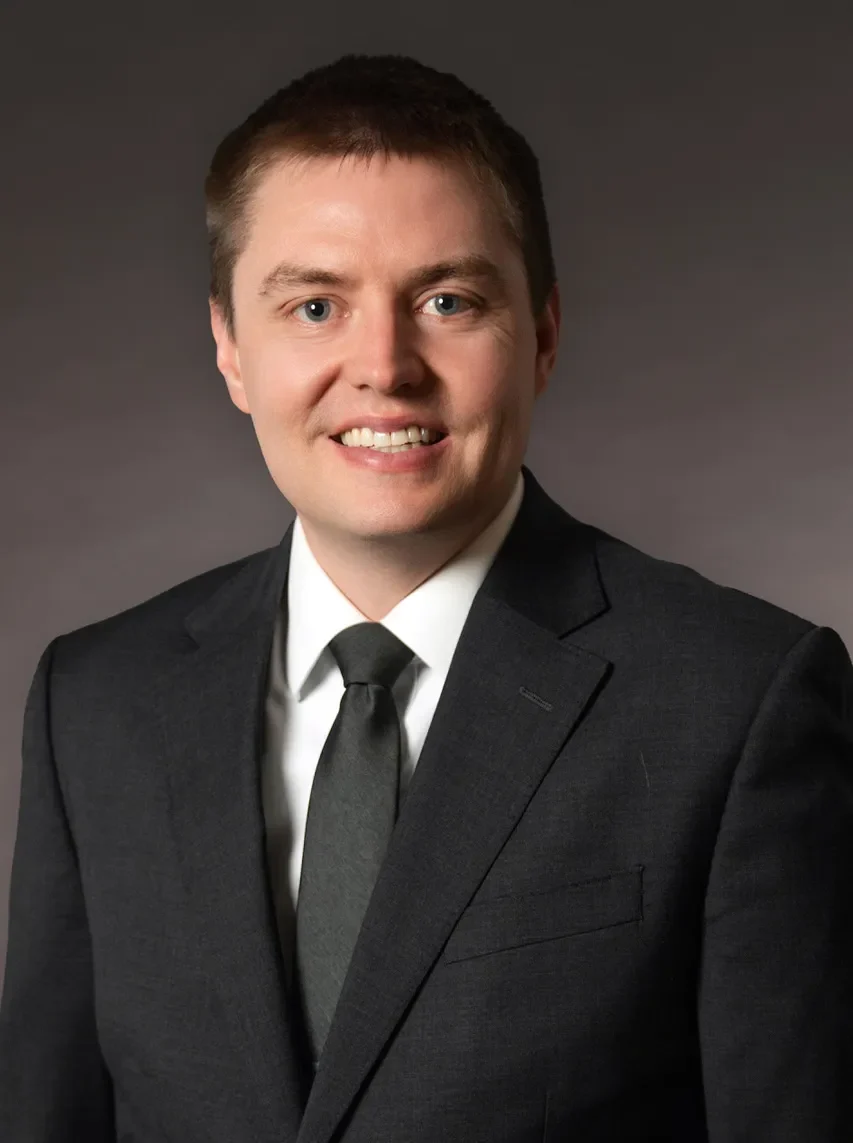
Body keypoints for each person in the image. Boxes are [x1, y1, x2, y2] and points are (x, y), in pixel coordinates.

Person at [1, 52, 852, 1143]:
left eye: (447, 300)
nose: (384, 366)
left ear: (541, 334)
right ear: (229, 350)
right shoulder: (95, 704)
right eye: (314, 306)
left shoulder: (737, 705)